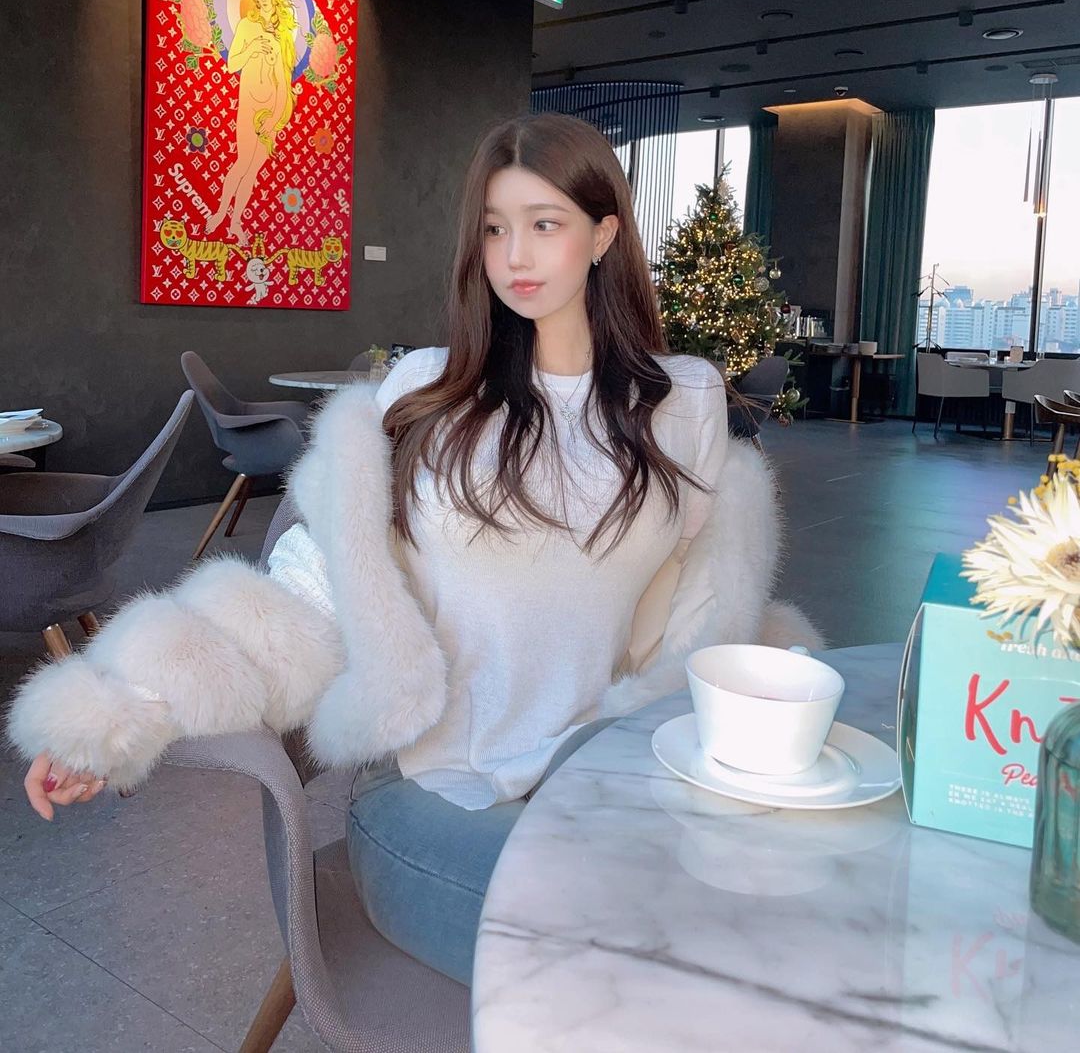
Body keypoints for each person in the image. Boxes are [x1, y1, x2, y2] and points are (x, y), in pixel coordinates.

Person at [10, 113, 820, 988]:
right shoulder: (429, 393)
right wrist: (119, 710)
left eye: (544, 223)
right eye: (495, 229)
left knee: (755, 925)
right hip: (434, 793)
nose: (515, 256)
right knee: (624, 956)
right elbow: (316, 591)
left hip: (596, 781)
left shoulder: (682, 404)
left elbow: (699, 602)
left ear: (603, 235)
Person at [205, 0, 298, 247]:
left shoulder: (282, 37)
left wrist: (275, 118)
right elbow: (232, 64)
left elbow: (283, 82)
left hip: (270, 109)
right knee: (243, 162)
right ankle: (221, 212)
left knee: (254, 169)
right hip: (249, 103)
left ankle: (236, 222)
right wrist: (252, 48)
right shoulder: (246, 26)